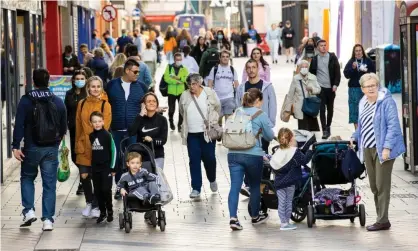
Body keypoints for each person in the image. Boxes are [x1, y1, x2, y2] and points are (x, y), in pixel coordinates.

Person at [12, 68, 67, 231]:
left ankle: (29, 210)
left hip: (31, 147)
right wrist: (56, 143)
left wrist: (15, 146)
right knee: (49, 184)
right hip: (51, 148)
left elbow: (19, 124)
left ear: (33, 82)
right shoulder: (57, 100)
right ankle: (48, 220)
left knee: (27, 177)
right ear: (48, 81)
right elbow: (63, 126)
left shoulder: (26, 100)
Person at [350, 73, 405, 231]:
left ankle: (382, 220)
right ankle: (381, 218)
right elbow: (361, 126)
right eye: (368, 86)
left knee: (382, 185)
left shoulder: (386, 102)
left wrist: (387, 147)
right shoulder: (363, 102)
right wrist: (354, 137)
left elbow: (393, 126)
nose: (371, 88)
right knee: (374, 186)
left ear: (378, 86)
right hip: (367, 148)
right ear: (362, 89)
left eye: (374, 85)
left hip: (383, 149)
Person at [227, 88, 275, 231]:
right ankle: (255, 216)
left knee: (235, 186)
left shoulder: (237, 111)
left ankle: (233, 219)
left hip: (233, 153)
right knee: (254, 186)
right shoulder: (260, 114)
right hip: (253, 155)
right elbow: (270, 136)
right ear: (258, 101)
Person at [106, 59, 149, 199]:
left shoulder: (141, 87)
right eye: (135, 71)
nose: (137, 74)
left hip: (133, 131)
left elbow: (148, 103)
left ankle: (133, 188)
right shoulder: (112, 85)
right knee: (118, 160)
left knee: (132, 161)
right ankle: (119, 188)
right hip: (115, 130)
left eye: (138, 72)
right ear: (127, 70)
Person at [236, 59, 277, 196]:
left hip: (263, 129)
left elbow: (273, 105)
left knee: (262, 157)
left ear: (258, 68)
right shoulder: (242, 87)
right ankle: (249, 185)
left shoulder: (267, 86)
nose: (251, 70)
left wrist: (270, 124)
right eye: (249, 67)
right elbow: (238, 106)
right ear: (246, 70)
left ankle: (261, 184)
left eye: (254, 67)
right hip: (246, 131)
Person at [179, 74, 221, 198]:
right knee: (194, 160)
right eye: (189, 84)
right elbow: (182, 111)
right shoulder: (184, 95)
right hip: (192, 134)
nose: (191, 87)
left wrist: (212, 121)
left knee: (210, 159)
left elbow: (217, 108)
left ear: (199, 82)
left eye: (194, 84)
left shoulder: (209, 93)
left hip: (207, 133)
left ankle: (212, 179)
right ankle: (196, 188)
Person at [75, 76, 112, 218]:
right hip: (83, 146)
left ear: (101, 88)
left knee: (97, 177)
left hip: (98, 146)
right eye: (92, 86)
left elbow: (105, 127)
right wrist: (78, 143)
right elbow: (78, 124)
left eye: (98, 86)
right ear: (88, 88)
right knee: (84, 175)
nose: (95, 89)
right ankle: (89, 202)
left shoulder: (106, 105)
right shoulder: (82, 103)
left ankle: (97, 205)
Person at [270, 128, 314, 231]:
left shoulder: (278, 152)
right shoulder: (294, 152)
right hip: (290, 182)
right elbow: (305, 160)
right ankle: (286, 223)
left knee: (281, 202)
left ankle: (283, 222)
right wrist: (310, 150)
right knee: (288, 202)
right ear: (290, 140)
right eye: (294, 138)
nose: (296, 140)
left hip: (279, 182)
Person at [309, 39, 341, 139]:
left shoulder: (332, 57)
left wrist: (335, 84)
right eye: (321, 45)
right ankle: (324, 130)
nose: (323, 47)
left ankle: (328, 126)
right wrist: (314, 86)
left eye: (325, 45)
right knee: (322, 110)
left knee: (330, 109)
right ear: (318, 47)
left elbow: (337, 72)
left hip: (330, 88)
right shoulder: (315, 59)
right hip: (320, 88)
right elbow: (311, 73)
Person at [89, 111, 116, 224]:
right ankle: (102, 212)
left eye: (99, 121)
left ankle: (110, 211)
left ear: (103, 122)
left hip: (106, 168)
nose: (97, 124)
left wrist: (113, 168)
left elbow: (113, 151)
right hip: (95, 168)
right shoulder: (91, 136)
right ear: (91, 123)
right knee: (98, 192)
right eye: (94, 122)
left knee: (106, 190)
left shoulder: (107, 135)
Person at [129, 92, 168, 170]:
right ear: (144, 104)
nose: (152, 103)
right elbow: (131, 132)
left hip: (157, 155)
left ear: (157, 104)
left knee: (156, 179)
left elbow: (163, 140)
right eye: (149, 101)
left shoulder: (162, 120)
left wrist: (151, 140)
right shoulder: (139, 118)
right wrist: (140, 115)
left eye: (154, 101)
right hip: (141, 156)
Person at [65, 70, 88, 195]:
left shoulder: (88, 94)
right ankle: (84, 176)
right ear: (73, 80)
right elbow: (66, 111)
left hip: (86, 129)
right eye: (77, 78)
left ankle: (83, 181)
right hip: (74, 129)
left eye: (82, 78)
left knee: (83, 154)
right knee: (75, 156)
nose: (79, 80)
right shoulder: (69, 94)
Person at [343, 44, 376, 129]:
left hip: (366, 89)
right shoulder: (351, 62)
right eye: (356, 51)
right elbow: (346, 75)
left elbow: (373, 73)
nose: (358, 52)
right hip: (354, 89)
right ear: (354, 52)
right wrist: (353, 68)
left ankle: (366, 129)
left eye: (360, 50)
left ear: (362, 51)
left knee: (366, 109)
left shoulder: (368, 61)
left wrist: (366, 71)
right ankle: (357, 131)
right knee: (355, 110)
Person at [287, 60, 321, 131]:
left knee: (312, 130)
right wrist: (288, 108)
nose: (304, 68)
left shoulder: (313, 77)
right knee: (303, 130)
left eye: (306, 67)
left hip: (311, 107)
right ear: (299, 68)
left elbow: (319, 89)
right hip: (300, 108)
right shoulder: (296, 79)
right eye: (302, 67)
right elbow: (290, 94)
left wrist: (312, 89)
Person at [207, 50, 239, 127]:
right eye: (223, 56)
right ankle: (219, 133)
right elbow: (210, 84)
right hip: (217, 99)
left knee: (229, 121)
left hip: (229, 98)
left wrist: (238, 98)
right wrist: (209, 97)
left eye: (227, 57)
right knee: (218, 119)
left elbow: (236, 84)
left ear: (229, 58)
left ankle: (227, 137)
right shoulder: (214, 69)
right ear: (220, 58)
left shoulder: (232, 69)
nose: (225, 58)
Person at [164, 52, 189, 132]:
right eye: (177, 59)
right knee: (171, 109)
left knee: (181, 109)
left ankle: (180, 125)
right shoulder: (169, 67)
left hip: (181, 91)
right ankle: (171, 121)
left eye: (180, 59)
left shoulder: (184, 68)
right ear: (174, 60)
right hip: (171, 91)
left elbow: (186, 78)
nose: (179, 61)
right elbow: (166, 78)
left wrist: (177, 78)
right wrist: (176, 81)